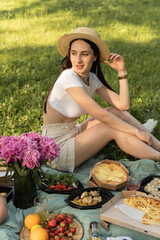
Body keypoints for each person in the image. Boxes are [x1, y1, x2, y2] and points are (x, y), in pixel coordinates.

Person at [42, 27, 160, 172]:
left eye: (84, 54)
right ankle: (158, 157)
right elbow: (101, 116)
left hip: (72, 133)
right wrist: (136, 132)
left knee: (116, 112)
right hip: (55, 152)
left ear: (95, 56)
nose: (78, 60)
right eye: (73, 53)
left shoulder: (91, 78)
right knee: (109, 125)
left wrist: (122, 72)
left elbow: (122, 105)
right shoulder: (68, 77)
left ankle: (158, 146)